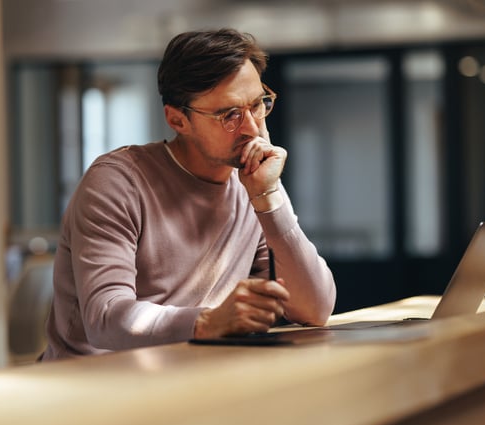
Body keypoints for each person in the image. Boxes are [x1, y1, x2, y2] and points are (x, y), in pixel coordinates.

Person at [41, 28, 336, 359]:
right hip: (93, 388)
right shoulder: (117, 182)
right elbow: (106, 319)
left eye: (257, 105)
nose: (253, 128)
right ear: (177, 120)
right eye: (230, 115)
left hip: (188, 379)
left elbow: (314, 309)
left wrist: (269, 198)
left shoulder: (252, 184)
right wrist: (207, 322)